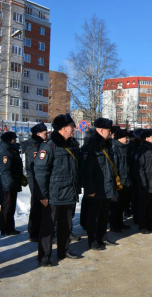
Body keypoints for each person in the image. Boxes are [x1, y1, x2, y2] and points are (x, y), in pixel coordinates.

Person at [34, 114, 82, 267]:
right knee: (48, 227)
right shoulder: (49, 145)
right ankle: (44, 257)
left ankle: (64, 250)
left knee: (66, 224)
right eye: (71, 126)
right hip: (53, 194)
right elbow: (41, 172)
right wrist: (43, 195)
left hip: (69, 192)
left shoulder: (72, 145)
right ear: (63, 128)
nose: (74, 129)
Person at [80, 118, 118, 250]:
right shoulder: (90, 147)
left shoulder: (107, 146)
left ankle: (102, 237)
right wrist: (90, 189)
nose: (110, 133)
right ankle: (93, 240)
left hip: (107, 188)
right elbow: (86, 171)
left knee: (103, 216)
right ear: (101, 130)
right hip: (95, 189)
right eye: (109, 130)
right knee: (93, 217)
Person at [133, 129, 152, 234]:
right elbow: (139, 169)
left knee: (151, 206)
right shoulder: (141, 151)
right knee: (143, 206)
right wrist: (143, 184)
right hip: (146, 184)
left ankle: (150, 224)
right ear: (146, 138)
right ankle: (142, 226)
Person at [23, 123, 48, 242]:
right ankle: (33, 233)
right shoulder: (35, 147)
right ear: (38, 134)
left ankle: (39, 231)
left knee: (41, 209)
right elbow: (33, 167)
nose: (47, 135)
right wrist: (35, 186)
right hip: (36, 182)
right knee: (36, 208)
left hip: (40, 182)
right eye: (45, 133)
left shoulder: (41, 144)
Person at [0, 131, 25, 236]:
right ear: (9, 140)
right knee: (7, 207)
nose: (16, 140)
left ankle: (10, 227)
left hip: (13, 183)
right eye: (14, 138)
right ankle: (5, 228)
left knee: (11, 207)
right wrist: (10, 184)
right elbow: (5, 170)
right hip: (8, 185)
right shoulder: (6, 151)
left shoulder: (11, 149)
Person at [110, 128, 132, 232]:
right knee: (116, 205)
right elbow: (115, 167)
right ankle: (114, 225)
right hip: (118, 181)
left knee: (123, 203)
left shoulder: (125, 148)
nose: (127, 139)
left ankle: (120, 222)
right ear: (119, 138)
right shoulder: (115, 148)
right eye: (125, 137)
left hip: (126, 180)